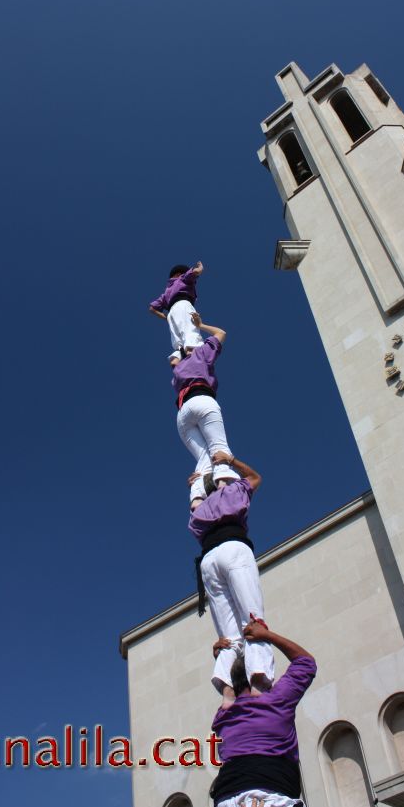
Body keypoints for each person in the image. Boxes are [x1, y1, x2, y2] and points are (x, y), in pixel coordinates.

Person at [189, 453, 273, 694]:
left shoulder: (198, 510)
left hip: (208, 562)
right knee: (253, 621)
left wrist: (196, 485)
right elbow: (256, 477)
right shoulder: (233, 493)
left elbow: (194, 500)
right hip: (234, 550)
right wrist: (230, 460)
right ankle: (259, 684)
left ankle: (227, 695)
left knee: (229, 637)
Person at [209, 622, 317, 807]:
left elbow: (229, 686)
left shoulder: (225, 715)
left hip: (230, 799)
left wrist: (223, 658)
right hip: (268, 796)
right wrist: (268, 636)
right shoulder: (276, 702)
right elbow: (306, 662)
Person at [172, 313, 239, 496]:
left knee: (203, 461)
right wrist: (200, 324)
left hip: (183, 412)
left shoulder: (178, 370)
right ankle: (224, 492)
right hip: (203, 400)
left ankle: (197, 498)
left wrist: (179, 346)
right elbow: (221, 333)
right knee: (220, 449)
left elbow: (174, 360)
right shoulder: (202, 353)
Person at [149, 261, 204, 356]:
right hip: (183, 305)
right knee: (189, 328)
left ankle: (179, 355)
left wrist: (165, 317)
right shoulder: (183, 279)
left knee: (177, 338)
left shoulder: (166, 292)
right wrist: (200, 267)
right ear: (179, 274)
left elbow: (152, 308)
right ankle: (194, 350)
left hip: (171, 314)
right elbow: (196, 272)